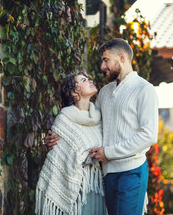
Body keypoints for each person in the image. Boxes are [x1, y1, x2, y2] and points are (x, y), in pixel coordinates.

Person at [46, 38, 159, 215]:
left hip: (132, 170)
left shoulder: (145, 89)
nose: (102, 66)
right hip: (107, 175)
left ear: (122, 57)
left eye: (106, 60)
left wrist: (108, 152)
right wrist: (58, 136)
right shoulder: (105, 92)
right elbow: (88, 122)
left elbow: (149, 135)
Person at [35, 71, 107, 215]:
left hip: (98, 186)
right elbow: (59, 158)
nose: (90, 81)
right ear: (75, 92)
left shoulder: (101, 116)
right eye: (84, 80)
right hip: (76, 191)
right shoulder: (64, 120)